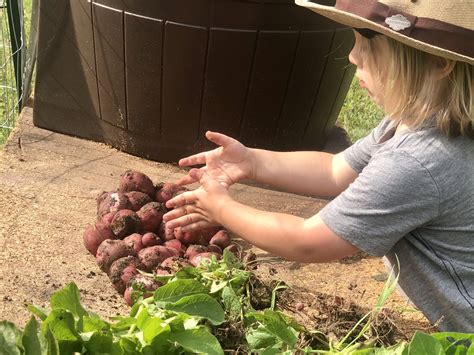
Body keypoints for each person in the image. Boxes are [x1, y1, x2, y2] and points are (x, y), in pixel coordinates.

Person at [163, 0, 474, 332]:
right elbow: (335, 170)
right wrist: (253, 161)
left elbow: (307, 240)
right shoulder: (416, 123)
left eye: (367, 41)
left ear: (439, 64)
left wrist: (222, 209)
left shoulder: (418, 161)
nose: (352, 56)